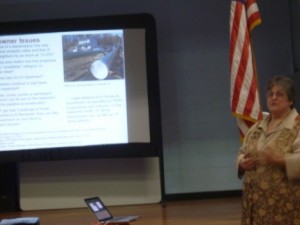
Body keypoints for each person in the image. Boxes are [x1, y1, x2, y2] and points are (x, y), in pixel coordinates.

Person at [236, 75, 300, 225]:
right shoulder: (256, 127)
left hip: (284, 208)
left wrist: (279, 160)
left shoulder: (297, 126)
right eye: (270, 94)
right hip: (254, 206)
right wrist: (241, 163)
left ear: (290, 100)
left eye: (280, 94)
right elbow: (241, 152)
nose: (274, 98)